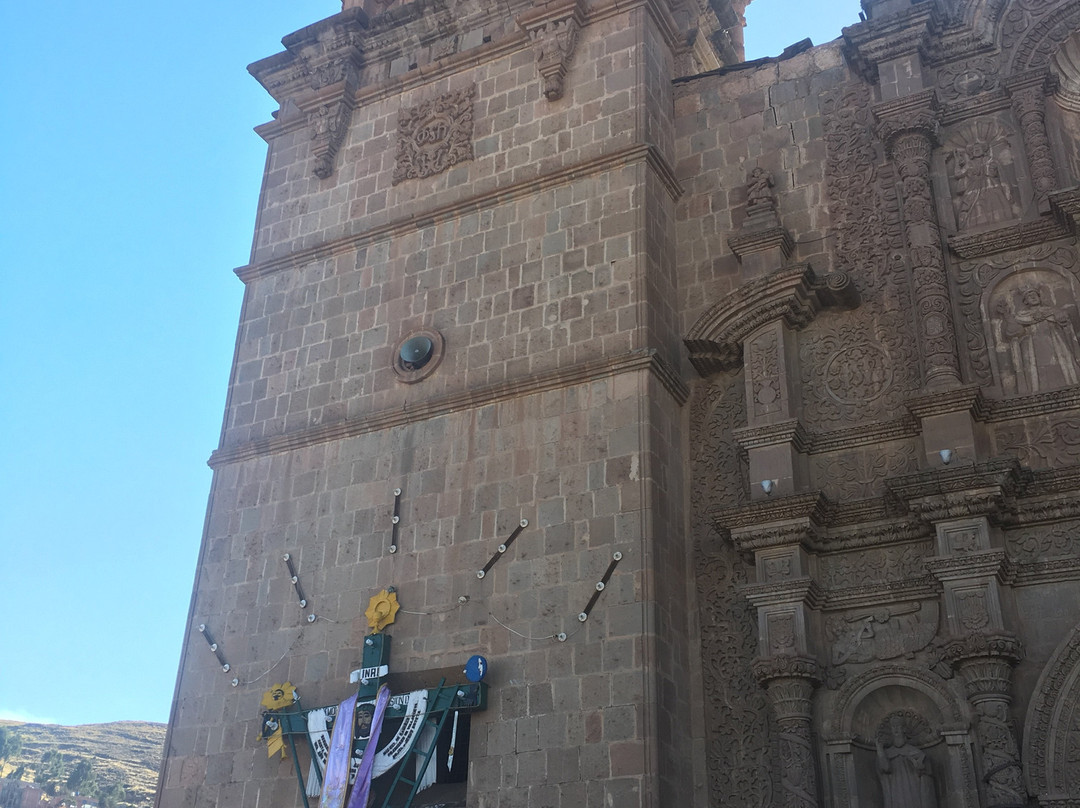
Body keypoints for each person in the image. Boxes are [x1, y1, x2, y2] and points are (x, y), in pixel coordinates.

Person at [876, 717, 938, 808]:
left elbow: (926, 772)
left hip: (914, 790)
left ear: (904, 729)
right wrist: (879, 749)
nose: (896, 729)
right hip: (895, 792)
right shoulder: (888, 753)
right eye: (893, 726)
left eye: (898, 726)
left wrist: (920, 766)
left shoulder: (914, 751)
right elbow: (885, 768)